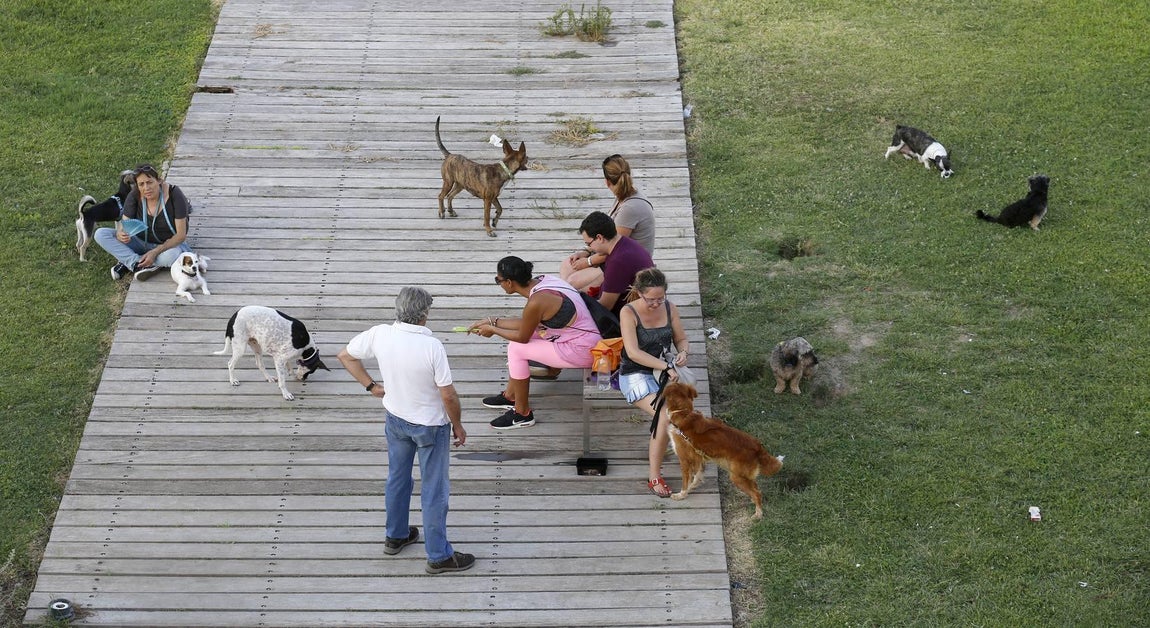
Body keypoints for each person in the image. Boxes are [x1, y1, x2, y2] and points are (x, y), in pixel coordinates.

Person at [337, 286, 475, 574]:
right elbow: (447, 394)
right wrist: (458, 424)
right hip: (430, 427)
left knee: (397, 479)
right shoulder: (432, 346)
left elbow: (345, 356)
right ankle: (438, 555)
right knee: (434, 490)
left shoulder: (380, 334)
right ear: (424, 314)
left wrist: (371, 386)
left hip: (396, 418)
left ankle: (396, 535)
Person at [469, 256, 603, 430]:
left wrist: (493, 330)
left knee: (517, 349)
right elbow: (528, 324)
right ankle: (510, 396)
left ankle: (522, 414)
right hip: (582, 337)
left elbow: (522, 337)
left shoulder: (537, 302)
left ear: (509, 282)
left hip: (583, 349)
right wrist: (492, 321)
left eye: (498, 280)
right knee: (523, 342)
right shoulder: (545, 282)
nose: (499, 283)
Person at [618, 268, 689, 498]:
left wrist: (684, 352)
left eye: (660, 298)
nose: (656, 303)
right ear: (639, 293)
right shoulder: (628, 313)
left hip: (665, 370)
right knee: (665, 415)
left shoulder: (670, 308)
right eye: (651, 299)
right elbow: (633, 352)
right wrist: (666, 367)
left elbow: (681, 338)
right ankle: (654, 475)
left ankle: (682, 455)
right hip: (635, 373)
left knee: (676, 415)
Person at [561, 154, 655, 290]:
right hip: (612, 255)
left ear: (607, 182)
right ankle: (570, 296)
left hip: (627, 263)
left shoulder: (629, 208)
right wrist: (586, 252)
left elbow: (615, 247)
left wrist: (588, 262)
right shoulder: (624, 196)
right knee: (566, 266)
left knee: (573, 282)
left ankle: (574, 300)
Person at [91, 164, 191, 281]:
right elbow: (125, 224)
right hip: (140, 241)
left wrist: (155, 252)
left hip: (167, 246)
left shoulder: (174, 194)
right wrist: (121, 233)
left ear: (159, 181)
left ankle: (129, 262)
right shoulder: (134, 195)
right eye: (141, 184)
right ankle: (137, 264)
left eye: (149, 182)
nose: (146, 188)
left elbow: (180, 236)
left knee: (173, 255)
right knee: (101, 234)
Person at [578, 210, 655, 316]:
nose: (590, 248)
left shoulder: (618, 262)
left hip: (632, 318)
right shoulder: (624, 242)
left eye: (589, 244)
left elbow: (605, 307)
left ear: (599, 238)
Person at [74, 169, 135, 261]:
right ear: (129, 184)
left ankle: (79, 246)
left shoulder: (117, 198)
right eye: (135, 183)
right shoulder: (123, 200)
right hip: (88, 219)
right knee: (86, 240)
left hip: (81, 219)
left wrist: (118, 231)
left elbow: (118, 219)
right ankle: (82, 257)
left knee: (81, 238)